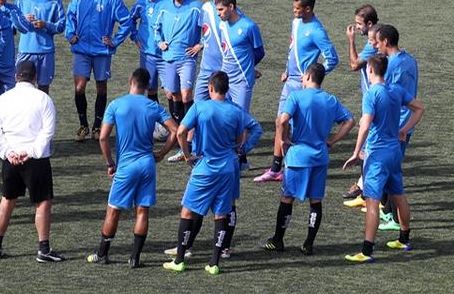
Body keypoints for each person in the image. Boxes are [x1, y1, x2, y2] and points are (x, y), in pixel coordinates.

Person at [86, 68, 177, 268]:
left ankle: (102, 254)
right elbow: (176, 130)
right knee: (142, 211)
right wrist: (162, 153)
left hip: (126, 166)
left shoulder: (116, 105)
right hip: (147, 164)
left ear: (130, 81)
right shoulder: (153, 107)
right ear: (147, 86)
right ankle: (135, 258)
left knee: (113, 211)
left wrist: (110, 163)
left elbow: (102, 137)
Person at [262, 63, 355, 255]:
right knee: (316, 201)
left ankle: (278, 240)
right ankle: (308, 244)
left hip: (298, 157)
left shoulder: (296, 96)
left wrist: (283, 140)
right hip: (320, 157)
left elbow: (282, 120)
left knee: (287, 198)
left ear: (307, 76)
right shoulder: (330, 100)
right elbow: (350, 121)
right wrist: (332, 140)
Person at [163, 71, 245, 276]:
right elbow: (240, 137)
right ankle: (214, 263)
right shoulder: (235, 111)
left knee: (188, 211)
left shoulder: (200, 107)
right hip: (227, 169)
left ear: (210, 87)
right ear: (226, 89)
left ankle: (180, 259)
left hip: (205, 167)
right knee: (221, 214)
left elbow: (181, 132)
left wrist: (186, 154)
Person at [343, 55, 424, 262]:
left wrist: (355, 152)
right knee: (398, 195)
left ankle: (366, 251)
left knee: (372, 202)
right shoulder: (395, 90)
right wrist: (403, 130)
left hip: (377, 155)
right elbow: (419, 108)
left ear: (370, 70)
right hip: (394, 151)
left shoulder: (372, 94)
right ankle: (404, 239)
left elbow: (365, 125)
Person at [254, 0, 339, 182]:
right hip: (290, 81)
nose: (294, 11)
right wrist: (287, 69)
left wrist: (313, 76)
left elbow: (332, 58)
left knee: (295, 128)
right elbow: (292, 48)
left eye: (297, 8)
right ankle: (276, 169)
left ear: (308, 9)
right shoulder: (295, 23)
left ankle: (298, 167)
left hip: (303, 85)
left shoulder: (317, 31)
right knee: (279, 123)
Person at [0, 60, 66, 263]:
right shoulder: (44, 99)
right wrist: (30, 152)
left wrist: (8, 153)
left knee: (7, 200)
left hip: (11, 158)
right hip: (36, 160)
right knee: (42, 203)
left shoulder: (3, 100)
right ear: (35, 78)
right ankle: (43, 249)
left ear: (16, 77)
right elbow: (48, 131)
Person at [65, 0, 134, 142]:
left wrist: (115, 41)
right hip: (81, 49)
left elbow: (126, 21)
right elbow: (71, 14)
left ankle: (97, 126)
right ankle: (83, 125)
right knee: (79, 87)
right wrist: (70, 33)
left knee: (101, 86)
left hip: (102, 51)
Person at [374, 24, 419, 231]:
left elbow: (385, 93)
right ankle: (388, 211)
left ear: (385, 42)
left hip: (394, 127)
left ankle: (391, 216)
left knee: (391, 173)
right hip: (406, 125)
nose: (376, 46)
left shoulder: (389, 65)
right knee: (392, 171)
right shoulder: (410, 60)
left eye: (377, 42)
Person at [153, 0, 202, 161]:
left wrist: (201, 44)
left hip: (187, 58)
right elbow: (156, 29)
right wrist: (160, 42)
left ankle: (188, 137)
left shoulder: (196, 8)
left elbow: (206, 29)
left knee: (186, 93)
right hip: (168, 57)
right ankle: (179, 131)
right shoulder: (164, 7)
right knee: (172, 94)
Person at [343, 5, 378, 200]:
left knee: (368, 144)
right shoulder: (377, 39)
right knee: (368, 143)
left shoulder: (372, 44)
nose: (356, 27)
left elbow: (354, 65)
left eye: (359, 23)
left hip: (373, 100)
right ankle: (364, 186)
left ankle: (366, 191)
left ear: (370, 24)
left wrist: (351, 41)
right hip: (372, 98)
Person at [15, 0, 66, 94]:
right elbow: (13, 25)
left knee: (43, 89)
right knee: (22, 88)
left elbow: (61, 26)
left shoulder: (55, 0)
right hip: (26, 51)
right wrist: (23, 19)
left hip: (45, 52)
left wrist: (46, 25)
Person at [216, 0, 265, 112]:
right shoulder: (222, 25)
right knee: (222, 117)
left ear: (231, 7)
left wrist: (248, 66)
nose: (218, 13)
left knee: (241, 120)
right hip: (224, 79)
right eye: (217, 10)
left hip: (242, 81)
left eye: (221, 9)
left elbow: (259, 52)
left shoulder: (249, 26)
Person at [129, 0, 169, 104]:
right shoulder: (141, 3)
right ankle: (157, 123)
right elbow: (130, 20)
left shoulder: (168, 2)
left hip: (166, 54)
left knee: (170, 92)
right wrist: (135, 36)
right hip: (147, 53)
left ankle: (178, 123)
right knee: (151, 89)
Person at [193, 0, 234, 104]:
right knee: (198, 102)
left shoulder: (231, 13)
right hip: (206, 67)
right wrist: (201, 43)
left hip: (224, 68)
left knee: (224, 104)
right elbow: (205, 31)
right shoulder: (205, 8)